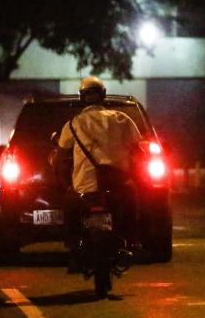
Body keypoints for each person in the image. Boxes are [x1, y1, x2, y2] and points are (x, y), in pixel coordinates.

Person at [54, 76, 142, 270]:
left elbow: (60, 157)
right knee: (133, 198)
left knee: (69, 203)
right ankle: (133, 240)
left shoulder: (72, 124)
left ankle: (73, 248)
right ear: (103, 96)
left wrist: (62, 178)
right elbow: (138, 152)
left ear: (81, 98)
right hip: (117, 186)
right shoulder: (122, 119)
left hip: (84, 187)